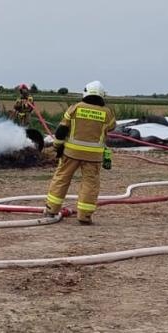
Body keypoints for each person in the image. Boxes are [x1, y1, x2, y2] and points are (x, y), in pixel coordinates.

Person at [44, 80, 116, 225]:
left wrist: (57, 146)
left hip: (71, 153)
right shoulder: (107, 113)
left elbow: (61, 130)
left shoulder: (75, 108)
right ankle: (85, 216)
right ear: (102, 95)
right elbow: (112, 127)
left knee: (62, 179)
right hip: (94, 156)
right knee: (90, 183)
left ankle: (51, 209)